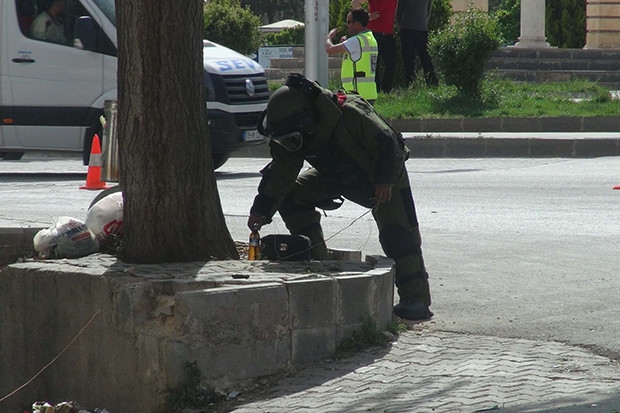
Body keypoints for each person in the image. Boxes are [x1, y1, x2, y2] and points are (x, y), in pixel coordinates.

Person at [247, 73, 433, 321]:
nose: (291, 145)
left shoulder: (351, 113)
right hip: (336, 176)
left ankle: (416, 299)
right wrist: (261, 210)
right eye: (285, 141)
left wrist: (384, 180)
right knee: (291, 196)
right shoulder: (293, 133)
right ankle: (317, 258)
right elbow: (280, 175)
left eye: (292, 140)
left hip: (380, 177)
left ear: (308, 122)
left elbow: (386, 142)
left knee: (398, 234)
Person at [325, 8, 378, 103]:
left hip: (356, 94)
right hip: (368, 93)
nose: (347, 25)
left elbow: (329, 50)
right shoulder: (370, 38)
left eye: (349, 22)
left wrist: (328, 37)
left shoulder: (356, 41)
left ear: (357, 24)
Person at [352, 0, 397, 93]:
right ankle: (376, 89)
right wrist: (367, 17)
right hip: (374, 33)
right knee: (374, 63)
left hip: (388, 33)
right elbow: (354, 3)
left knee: (391, 62)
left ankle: (386, 89)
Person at [395, 0, 438, 87]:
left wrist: (423, 24)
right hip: (407, 30)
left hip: (421, 30)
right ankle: (410, 84)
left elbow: (428, 11)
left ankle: (432, 84)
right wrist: (402, 26)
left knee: (426, 59)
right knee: (409, 60)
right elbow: (398, 14)